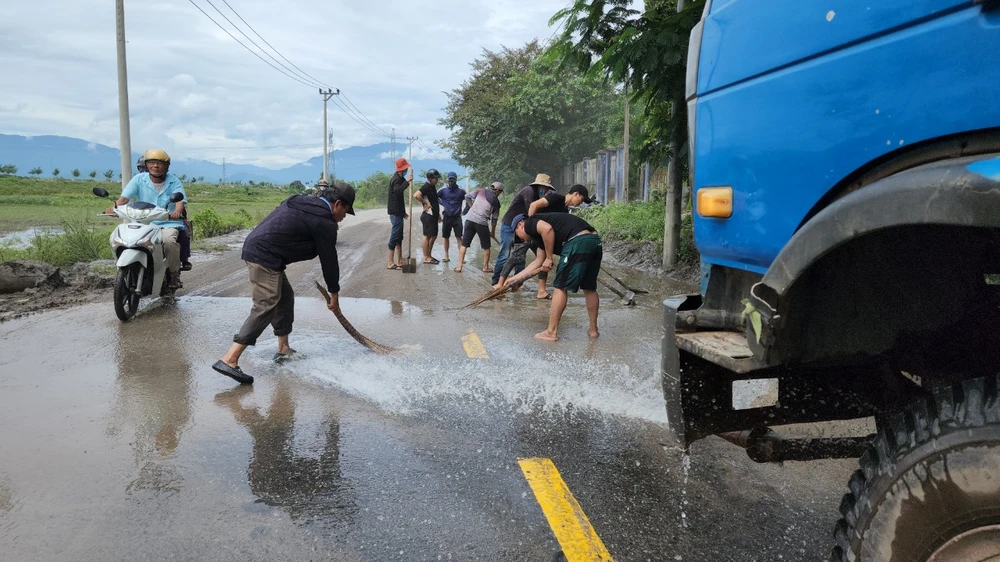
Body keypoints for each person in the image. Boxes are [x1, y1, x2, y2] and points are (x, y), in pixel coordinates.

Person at [212, 182, 356, 385]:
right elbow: (329, 260)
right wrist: (334, 293)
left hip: (265, 252)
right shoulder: (324, 222)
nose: (343, 217)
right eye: (346, 211)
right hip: (264, 256)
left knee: (285, 297)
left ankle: (283, 349)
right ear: (338, 204)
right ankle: (230, 358)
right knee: (267, 304)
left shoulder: (301, 200)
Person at [505, 212, 603, 341]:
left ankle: (551, 332)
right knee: (589, 288)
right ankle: (593, 330)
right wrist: (515, 278)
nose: (521, 239)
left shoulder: (530, 223)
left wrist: (550, 258)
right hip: (594, 241)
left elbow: (547, 229)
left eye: (517, 234)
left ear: (520, 225)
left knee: (560, 287)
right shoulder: (540, 238)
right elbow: (538, 261)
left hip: (577, 241)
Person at [109, 149, 187, 289]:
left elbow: (180, 201)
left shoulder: (173, 181)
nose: (155, 166)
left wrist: (176, 212)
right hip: (144, 222)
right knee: (125, 239)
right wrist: (112, 209)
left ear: (166, 166)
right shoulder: (138, 179)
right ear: (146, 165)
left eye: (159, 163)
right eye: (152, 163)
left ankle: (174, 274)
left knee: (169, 241)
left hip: (167, 223)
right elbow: (123, 199)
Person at [492, 173, 556, 298]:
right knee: (509, 254)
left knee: (537, 256)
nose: (545, 190)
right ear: (538, 186)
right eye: (543, 187)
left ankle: (520, 283)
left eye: (547, 188)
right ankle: (497, 283)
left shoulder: (540, 196)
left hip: (528, 228)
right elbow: (532, 213)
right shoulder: (529, 191)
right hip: (513, 225)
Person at [454, 182, 502, 273]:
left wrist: (471, 207)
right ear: (498, 191)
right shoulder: (496, 203)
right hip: (482, 223)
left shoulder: (480, 191)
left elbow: (467, 196)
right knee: (486, 247)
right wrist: (492, 231)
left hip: (470, 220)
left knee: (464, 244)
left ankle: (459, 266)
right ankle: (485, 267)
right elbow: (494, 219)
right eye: (499, 192)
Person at [386, 158, 413, 270]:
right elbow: (397, 191)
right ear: (402, 169)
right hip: (395, 213)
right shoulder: (396, 179)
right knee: (394, 236)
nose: (407, 169)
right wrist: (407, 181)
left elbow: (398, 200)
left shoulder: (400, 178)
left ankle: (400, 261)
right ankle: (391, 262)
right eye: (406, 168)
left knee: (399, 237)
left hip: (398, 212)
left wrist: (403, 213)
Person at [413, 169, 442, 264]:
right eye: (435, 178)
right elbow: (416, 195)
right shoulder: (426, 187)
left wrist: (438, 215)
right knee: (427, 236)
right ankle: (426, 257)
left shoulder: (432, 187)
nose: (437, 180)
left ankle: (429, 255)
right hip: (428, 216)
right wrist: (425, 202)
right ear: (430, 178)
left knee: (433, 235)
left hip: (433, 215)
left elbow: (435, 202)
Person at [437, 171, 466, 263]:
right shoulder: (442, 191)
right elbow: (434, 198)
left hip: (457, 218)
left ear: (456, 180)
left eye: (453, 179)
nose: (451, 181)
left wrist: (465, 211)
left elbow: (469, 199)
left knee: (459, 237)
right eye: (450, 179)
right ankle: (446, 256)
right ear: (447, 180)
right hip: (447, 217)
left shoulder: (461, 191)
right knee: (446, 237)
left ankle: (462, 257)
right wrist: (442, 203)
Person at [528, 184, 593, 216]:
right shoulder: (555, 198)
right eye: (581, 200)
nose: (581, 203)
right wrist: (529, 226)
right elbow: (534, 205)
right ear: (576, 194)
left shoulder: (565, 211)